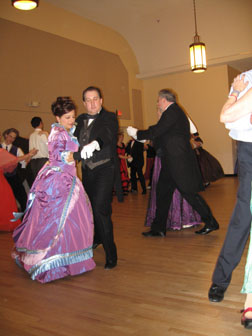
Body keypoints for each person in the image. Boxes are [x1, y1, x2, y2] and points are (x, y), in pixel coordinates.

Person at [12, 97, 95, 283]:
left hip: (64, 177)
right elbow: (62, 157)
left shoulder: (62, 131)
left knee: (68, 221)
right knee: (59, 222)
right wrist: (80, 152)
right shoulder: (58, 134)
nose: (71, 120)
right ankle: (53, 261)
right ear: (57, 118)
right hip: (61, 181)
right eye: (67, 117)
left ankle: (68, 260)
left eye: (73, 116)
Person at [127, 88, 219, 236]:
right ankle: (158, 229)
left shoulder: (172, 112)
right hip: (171, 162)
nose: (157, 103)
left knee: (189, 194)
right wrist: (143, 137)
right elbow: (162, 136)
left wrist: (137, 134)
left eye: (158, 100)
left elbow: (157, 130)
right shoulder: (173, 113)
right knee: (162, 194)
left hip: (179, 163)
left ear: (164, 100)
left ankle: (211, 222)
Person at [208, 70, 252, 323]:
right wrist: (236, 91)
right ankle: (220, 280)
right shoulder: (247, 78)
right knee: (242, 219)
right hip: (249, 152)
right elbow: (227, 117)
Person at [73, 86, 122, 270]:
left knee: (101, 209)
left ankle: (111, 254)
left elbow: (107, 134)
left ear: (101, 100)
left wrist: (95, 144)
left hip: (104, 169)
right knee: (91, 208)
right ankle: (98, 238)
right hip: (87, 171)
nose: (92, 103)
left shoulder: (109, 117)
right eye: (88, 99)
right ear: (84, 103)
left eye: (95, 99)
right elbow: (72, 139)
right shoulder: (79, 120)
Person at [1, 128, 32, 212]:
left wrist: (26, 160)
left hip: (13, 177)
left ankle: (24, 218)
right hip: (2, 178)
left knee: (23, 198)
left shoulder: (17, 149)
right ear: (6, 135)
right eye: (10, 136)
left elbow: (23, 164)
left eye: (13, 138)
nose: (11, 139)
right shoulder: (0, 148)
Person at [29, 116, 49, 185]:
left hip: (33, 162)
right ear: (41, 123)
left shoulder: (31, 135)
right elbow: (49, 146)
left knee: (37, 183)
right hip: (43, 161)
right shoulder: (43, 133)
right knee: (45, 183)